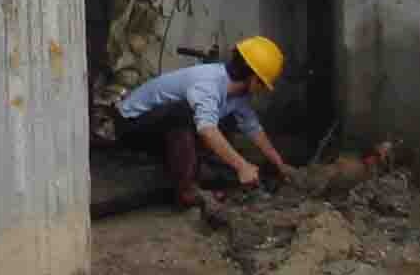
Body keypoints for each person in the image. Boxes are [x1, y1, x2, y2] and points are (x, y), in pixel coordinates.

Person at [115, 37, 291, 207]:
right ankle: (186, 191)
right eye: (263, 84)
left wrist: (279, 164)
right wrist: (242, 166)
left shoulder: (238, 95)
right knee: (186, 113)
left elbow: (253, 128)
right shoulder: (209, 83)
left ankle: (195, 170)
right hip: (132, 126)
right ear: (253, 78)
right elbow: (207, 131)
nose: (263, 89)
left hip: (160, 129)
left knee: (222, 120)